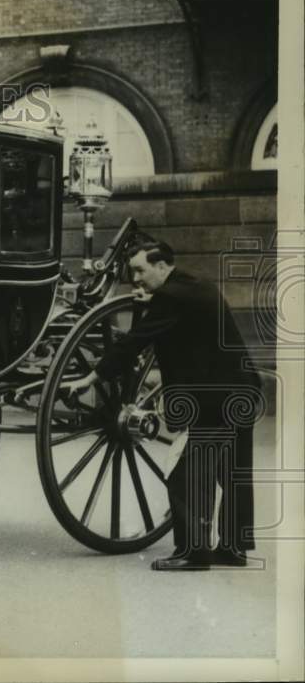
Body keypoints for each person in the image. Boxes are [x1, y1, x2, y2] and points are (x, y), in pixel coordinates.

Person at [65, 239, 260, 571]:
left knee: (183, 471)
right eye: (132, 272)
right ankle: (233, 548)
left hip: (211, 398)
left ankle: (192, 553)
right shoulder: (195, 286)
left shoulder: (170, 297)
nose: (136, 279)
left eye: (140, 270)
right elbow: (179, 311)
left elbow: (134, 342)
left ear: (161, 266)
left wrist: (92, 377)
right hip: (240, 391)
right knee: (232, 471)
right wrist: (155, 300)